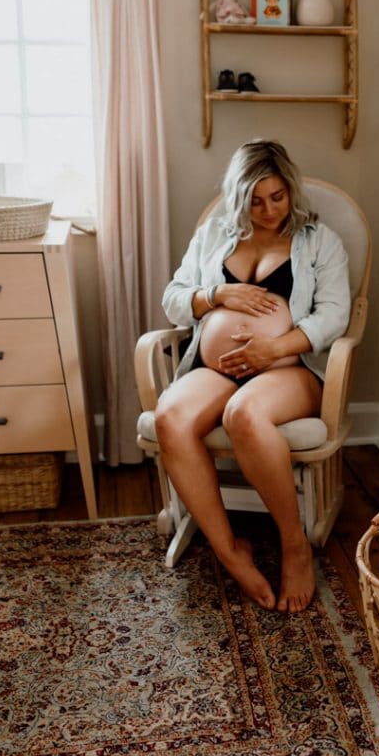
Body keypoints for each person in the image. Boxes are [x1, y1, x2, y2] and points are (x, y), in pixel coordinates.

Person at [156, 140, 351, 613]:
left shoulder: (319, 240)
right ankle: (231, 552)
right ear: (237, 197)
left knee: (244, 414)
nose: (267, 210)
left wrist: (273, 348)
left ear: (291, 191)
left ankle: (293, 546)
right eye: (254, 200)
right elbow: (174, 296)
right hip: (215, 368)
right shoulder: (215, 234)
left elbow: (334, 315)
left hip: (287, 369)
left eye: (277, 197)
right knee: (170, 417)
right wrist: (216, 295)